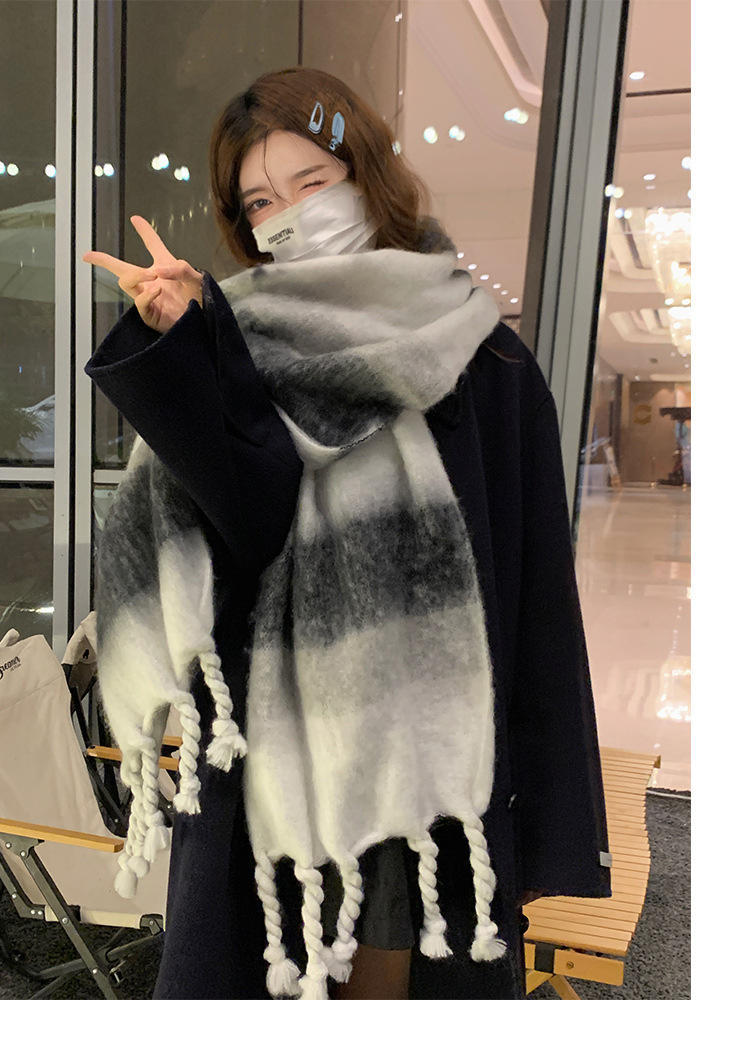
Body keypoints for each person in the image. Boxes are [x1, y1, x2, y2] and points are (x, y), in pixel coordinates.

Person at [83, 67, 611, 1001]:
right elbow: (250, 522)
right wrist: (193, 352)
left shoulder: (483, 356)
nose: (289, 213)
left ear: (365, 175)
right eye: (260, 200)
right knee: (267, 979)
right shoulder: (241, 343)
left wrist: (549, 809)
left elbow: (536, 596)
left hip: (424, 753)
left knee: (394, 983)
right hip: (276, 757)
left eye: (311, 181)